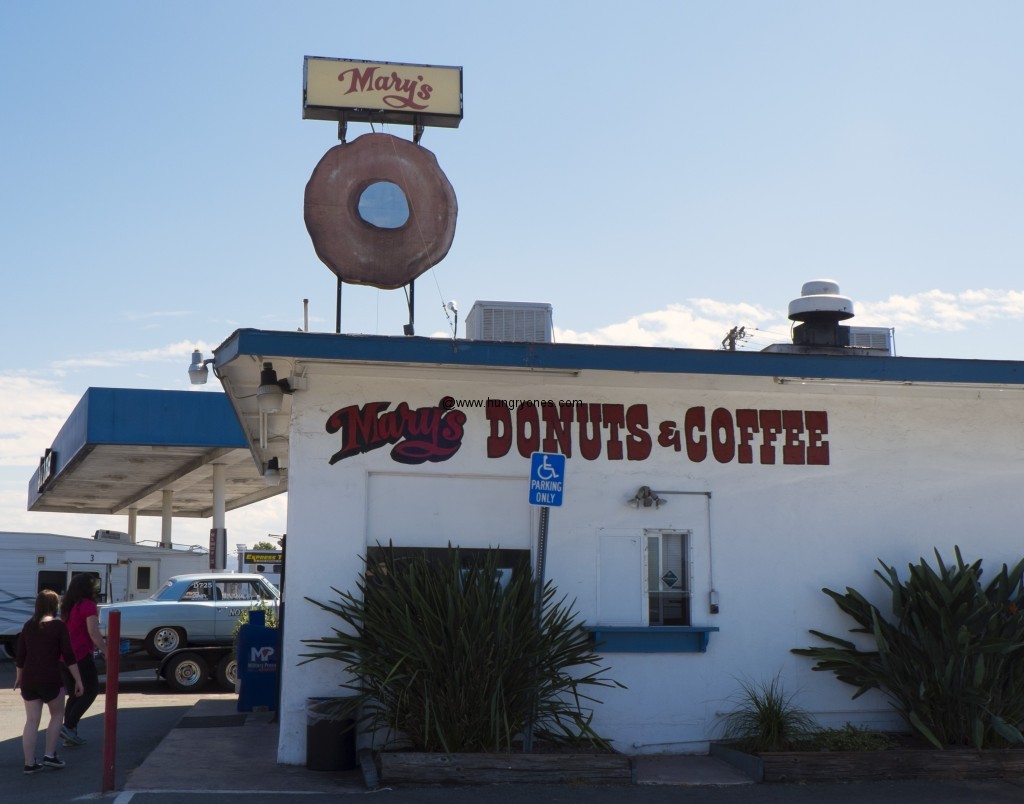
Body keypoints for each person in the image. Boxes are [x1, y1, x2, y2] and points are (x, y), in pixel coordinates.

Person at [14, 589, 84, 774]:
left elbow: (20, 656)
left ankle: (29, 763)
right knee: (56, 715)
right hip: (51, 678)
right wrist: (78, 680)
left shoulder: (28, 626)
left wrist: (19, 677)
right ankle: (49, 756)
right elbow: (69, 656)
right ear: (55, 606)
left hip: (29, 678)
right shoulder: (59, 626)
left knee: (31, 721)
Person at [59, 573, 108, 746]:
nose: (95, 588)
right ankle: (68, 727)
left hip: (65, 657)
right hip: (80, 655)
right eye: (92, 585)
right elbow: (93, 632)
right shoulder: (88, 605)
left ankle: (70, 734)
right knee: (90, 691)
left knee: (74, 694)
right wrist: (106, 651)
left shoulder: (68, 605)